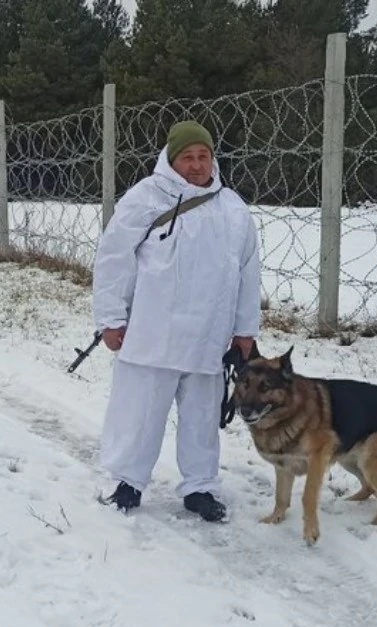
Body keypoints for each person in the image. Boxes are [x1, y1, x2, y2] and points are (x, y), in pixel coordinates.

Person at [92, 120, 261, 522]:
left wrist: (244, 331)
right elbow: (114, 258)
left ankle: (200, 487)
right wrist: (111, 319)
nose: (197, 165)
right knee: (141, 413)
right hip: (154, 332)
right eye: (188, 157)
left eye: (204, 156)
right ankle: (128, 482)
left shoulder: (232, 208)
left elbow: (247, 271)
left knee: (202, 418)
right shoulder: (145, 198)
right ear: (171, 160)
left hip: (208, 336)